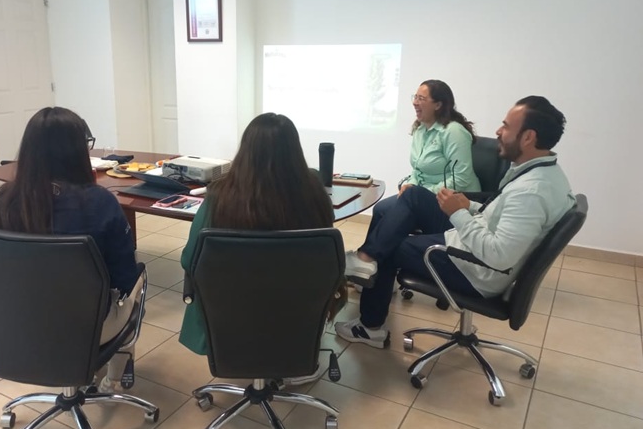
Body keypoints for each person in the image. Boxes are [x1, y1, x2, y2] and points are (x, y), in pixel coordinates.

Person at [336, 96, 575, 347]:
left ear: (528, 137)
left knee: (391, 246)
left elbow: (498, 256)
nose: (498, 131)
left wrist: (458, 214)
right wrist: (468, 206)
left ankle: (370, 326)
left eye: (506, 126)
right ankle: (365, 260)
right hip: (472, 241)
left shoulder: (531, 192)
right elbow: (502, 216)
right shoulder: (545, 172)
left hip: (475, 269)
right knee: (415, 196)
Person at [179, 112, 347, 382]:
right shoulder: (314, 191)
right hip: (297, 309)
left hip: (232, 313)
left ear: (245, 152)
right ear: (295, 152)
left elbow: (190, 261)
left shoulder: (219, 197)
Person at [0, 106, 138, 390]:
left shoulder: (4, 200)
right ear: (77, 151)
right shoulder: (99, 202)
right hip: (88, 326)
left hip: (18, 321)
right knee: (137, 289)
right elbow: (125, 277)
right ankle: (113, 380)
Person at [351, 80, 480, 293]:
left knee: (402, 203)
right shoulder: (421, 129)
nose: (415, 102)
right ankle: (373, 270)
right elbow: (418, 169)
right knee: (381, 209)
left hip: (453, 201)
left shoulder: (453, 132)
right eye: (415, 97)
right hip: (424, 195)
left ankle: (368, 260)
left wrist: (421, 193)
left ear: (438, 104)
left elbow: (462, 177)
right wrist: (410, 183)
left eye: (421, 98)